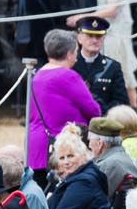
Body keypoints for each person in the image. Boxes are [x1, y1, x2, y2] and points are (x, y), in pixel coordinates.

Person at [28, 29, 102, 173]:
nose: (76, 56)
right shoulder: (68, 76)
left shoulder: (37, 75)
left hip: (37, 145)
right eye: (75, 51)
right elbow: (93, 110)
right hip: (62, 147)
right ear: (69, 54)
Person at [72, 13, 131, 116]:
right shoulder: (70, 65)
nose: (94, 40)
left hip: (102, 123)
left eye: (98, 36)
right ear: (79, 38)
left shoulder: (113, 67)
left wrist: (104, 113)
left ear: (103, 39)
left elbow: (121, 101)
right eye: (90, 36)